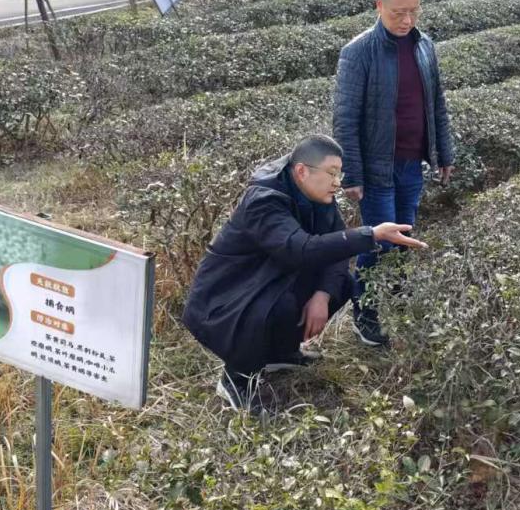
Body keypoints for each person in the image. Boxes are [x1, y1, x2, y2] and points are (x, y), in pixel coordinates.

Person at [182, 134, 425, 410]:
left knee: (340, 282)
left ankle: (278, 353)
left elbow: (334, 252)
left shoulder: (318, 195)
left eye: (340, 174)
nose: (338, 182)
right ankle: (237, 377)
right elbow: (299, 249)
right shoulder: (264, 200)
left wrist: (322, 296)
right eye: (332, 173)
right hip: (226, 299)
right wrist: (370, 234)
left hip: (270, 279)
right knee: (275, 303)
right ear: (301, 171)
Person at [333, 0, 454, 347]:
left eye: (413, 11)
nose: (406, 20)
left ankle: (397, 299)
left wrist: (444, 153)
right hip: (377, 170)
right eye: (397, 12)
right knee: (378, 243)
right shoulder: (358, 52)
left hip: (411, 165)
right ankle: (365, 313)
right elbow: (345, 118)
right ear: (378, 6)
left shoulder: (425, 46)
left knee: (405, 238)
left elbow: (437, 104)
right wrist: (352, 175)